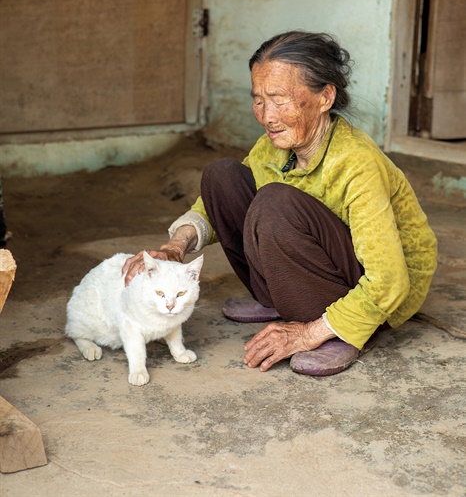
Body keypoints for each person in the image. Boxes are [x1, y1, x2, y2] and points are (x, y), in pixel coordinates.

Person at [123, 31, 437, 376]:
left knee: (275, 203)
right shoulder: (272, 145)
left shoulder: (357, 162)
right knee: (222, 177)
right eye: (258, 100)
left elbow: (390, 281)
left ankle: (346, 329)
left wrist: (309, 333)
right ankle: (283, 302)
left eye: (278, 99)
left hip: (377, 289)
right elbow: (222, 203)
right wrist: (175, 246)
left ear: (325, 97)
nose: (266, 116)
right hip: (320, 269)